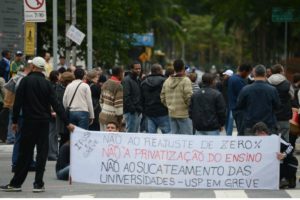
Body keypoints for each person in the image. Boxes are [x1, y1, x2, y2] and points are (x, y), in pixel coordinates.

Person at [0, 56, 74, 192]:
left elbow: (18, 104)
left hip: (28, 122)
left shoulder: (25, 81)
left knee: (25, 153)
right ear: (42, 69)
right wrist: (67, 122)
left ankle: (16, 183)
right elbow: (56, 105)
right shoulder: (47, 84)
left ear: (33, 67)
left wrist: (15, 121)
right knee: (42, 153)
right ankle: (38, 184)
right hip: (43, 122)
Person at [235, 65, 280, 135]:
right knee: (267, 146)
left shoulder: (246, 89)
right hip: (268, 125)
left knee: (250, 146)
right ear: (265, 74)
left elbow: (239, 105)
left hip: (250, 125)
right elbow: (277, 106)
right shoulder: (272, 90)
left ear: (254, 74)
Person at [252, 122, 297, 189]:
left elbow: (290, 147)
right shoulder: (261, 143)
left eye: (257, 135)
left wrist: (284, 154)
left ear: (262, 132)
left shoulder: (275, 138)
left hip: (288, 164)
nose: (256, 137)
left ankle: (288, 179)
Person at [161, 59, 193, 135]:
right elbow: (189, 98)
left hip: (172, 114)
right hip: (184, 114)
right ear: (183, 67)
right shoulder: (186, 80)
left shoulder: (167, 81)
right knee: (187, 140)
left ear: (174, 68)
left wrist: (170, 106)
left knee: (175, 140)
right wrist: (189, 108)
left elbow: (162, 98)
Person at [141, 64, 170, 134]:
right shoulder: (166, 82)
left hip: (149, 113)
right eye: (161, 69)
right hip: (163, 112)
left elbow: (142, 98)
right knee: (168, 137)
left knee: (150, 138)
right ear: (158, 71)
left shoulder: (144, 83)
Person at [268, 64, 293, 142]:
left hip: (270, 116)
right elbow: (292, 96)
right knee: (285, 139)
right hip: (284, 115)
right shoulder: (287, 83)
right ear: (281, 72)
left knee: (271, 139)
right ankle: (284, 154)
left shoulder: (267, 82)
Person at [227, 64, 252, 135]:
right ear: (244, 71)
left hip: (235, 108)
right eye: (248, 73)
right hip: (240, 110)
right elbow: (243, 96)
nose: (248, 75)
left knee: (240, 129)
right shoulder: (238, 80)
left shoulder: (233, 78)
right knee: (242, 131)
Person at [99, 66, 124, 131]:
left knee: (103, 140)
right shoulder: (119, 86)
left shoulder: (105, 83)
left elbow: (101, 101)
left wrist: (105, 109)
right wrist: (120, 120)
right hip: (112, 121)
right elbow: (118, 106)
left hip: (102, 116)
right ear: (120, 73)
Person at [55, 72, 75, 147]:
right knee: (64, 139)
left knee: (64, 138)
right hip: (64, 117)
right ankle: (62, 157)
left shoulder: (58, 88)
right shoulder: (62, 90)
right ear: (68, 81)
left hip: (61, 117)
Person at [122, 61, 142, 132]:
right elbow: (126, 96)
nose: (138, 70)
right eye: (136, 69)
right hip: (131, 112)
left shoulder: (138, 79)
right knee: (131, 134)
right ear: (131, 69)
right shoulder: (127, 80)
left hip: (137, 111)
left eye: (139, 68)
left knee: (136, 133)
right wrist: (132, 109)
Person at [48, 71, 60, 161]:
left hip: (50, 112)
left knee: (53, 133)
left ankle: (54, 152)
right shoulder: (54, 87)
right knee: (53, 133)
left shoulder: (48, 85)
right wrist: (52, 111)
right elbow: (53, 100)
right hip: (52, 112)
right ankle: (52, 153)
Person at [220, 69, 234, 135]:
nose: (224, 76)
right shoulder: (231, 82)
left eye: (225, 75)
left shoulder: (224, 82)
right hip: (228, 103)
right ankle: (228, 134)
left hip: (227, 103)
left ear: (228, 75)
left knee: (228, 120)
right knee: (228, 120)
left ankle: (228, 134)